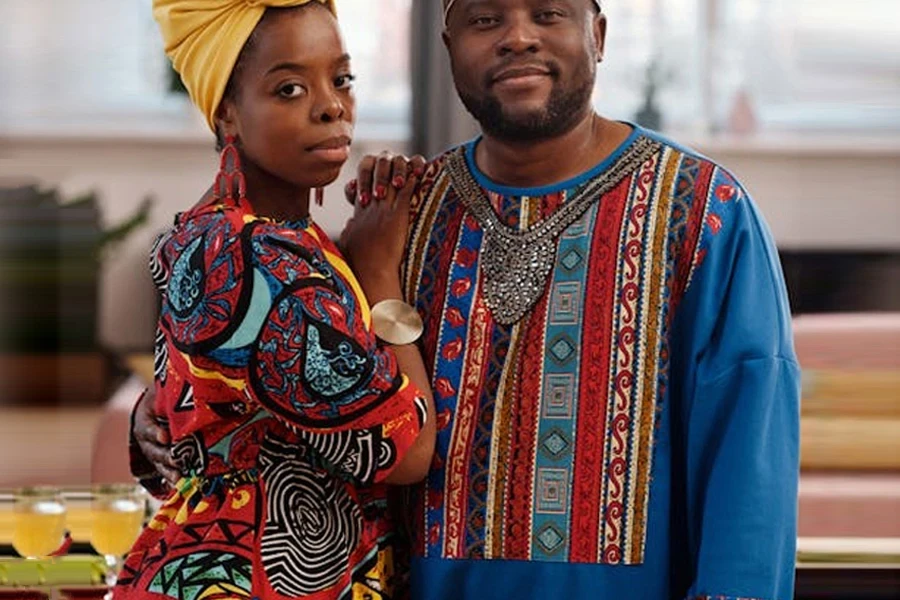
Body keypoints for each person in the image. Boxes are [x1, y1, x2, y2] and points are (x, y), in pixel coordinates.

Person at [135, 0, 802, 598]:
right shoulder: (403, 216)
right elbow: (283, 369)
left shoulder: (700, 213)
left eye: (547, 14)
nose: (516, 37)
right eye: (485, 19)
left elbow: (751, 464)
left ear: (597, 34)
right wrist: (159, 409)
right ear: (449, 45)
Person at [118, 1, 435, 599]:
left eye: (341, 79)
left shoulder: (220, 230)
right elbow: (408, 451)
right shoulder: (261, 260)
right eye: (289, 88)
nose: (331, 105)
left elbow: (198, 412)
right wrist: (378, 278)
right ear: (228, 113)